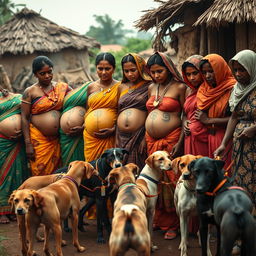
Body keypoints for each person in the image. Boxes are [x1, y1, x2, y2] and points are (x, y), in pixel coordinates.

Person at [146, 52, 186, 239]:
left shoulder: (179, 87)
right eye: (153, 72)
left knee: (171, 180)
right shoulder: (151, 87)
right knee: (154, 179)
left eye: (160, 71)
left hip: (172, 138)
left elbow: (185, 115)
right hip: (151, 141)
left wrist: (180, 142)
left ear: (169, 69)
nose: (156, 76)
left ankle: (173, 224)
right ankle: (158, 219)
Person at [214, 49, 256, 218]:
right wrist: (224, 143)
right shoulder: (237, 89)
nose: (238, 74)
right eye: (235, 70)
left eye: (242, 70)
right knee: (241, 185)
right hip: (241, 147)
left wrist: (254, 128)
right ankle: (244, 231)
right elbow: (234, 117)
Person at [21, 56, 71, 176]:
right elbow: (24, 117)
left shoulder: (62, 87)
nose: (47, 76)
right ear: (35, 74)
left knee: (59, 174)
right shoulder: (30, 92)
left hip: (58, 139)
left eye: (50, 72)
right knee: (39, 173)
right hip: (38, 140)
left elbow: (75, 99)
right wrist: (27, 144)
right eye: (42, 73)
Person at [195, 54, 236, 171]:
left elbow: (236, 117)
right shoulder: (204, 89)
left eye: (211, 71)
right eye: (204, 72)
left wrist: (209, 120)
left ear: (220, 69)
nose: (207, 76)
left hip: (226, 138)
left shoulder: (232, 88)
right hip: (208, 137)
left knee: (225, 173)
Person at [116, 53, 152, 170]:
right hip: (122, 136)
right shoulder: (122, 87)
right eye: (126, 71)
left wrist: (145, 137)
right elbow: (118, 111)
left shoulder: (149, 86)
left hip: (139, 135)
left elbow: (150, 111)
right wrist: (116, 135)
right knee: (122, 170)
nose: (130, 74)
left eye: (133, 70)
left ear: (141, 68)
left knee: (137, 169)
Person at [83, 52, 120, 162]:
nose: (103, 72)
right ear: (96, 68)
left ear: (114, 68)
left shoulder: (120, 87)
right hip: (91, 138)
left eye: (107, 69)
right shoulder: (91, 87)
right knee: (92, 169)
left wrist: (114, 129)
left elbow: (122, 111)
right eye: (100, 69)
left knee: (110, 167)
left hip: (111, 136)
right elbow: (88, 109)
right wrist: (85, 125)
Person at [0, 87, 29, 224]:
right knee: (3, 175)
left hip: (19, 142)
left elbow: (26, 114)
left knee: (19, 174)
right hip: (3, 142)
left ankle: (13, 208)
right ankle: (2, 211)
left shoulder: (14, 96)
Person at [182, 55, 209, 156]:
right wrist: (185, 122)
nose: (192, 78)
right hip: (189, 135)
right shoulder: (188, 90)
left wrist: (207, 120)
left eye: (195, 73)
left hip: (203, 136)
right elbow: (185, 113)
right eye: (188, 74)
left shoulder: (210, 90)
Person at [60, 81, 92, 166]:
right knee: (67, 164)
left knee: (80, 163)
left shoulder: (91, 89)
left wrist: (83, 126)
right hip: (66, 137)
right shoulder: (63, 92)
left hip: (81, 132)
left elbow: (92, 109)